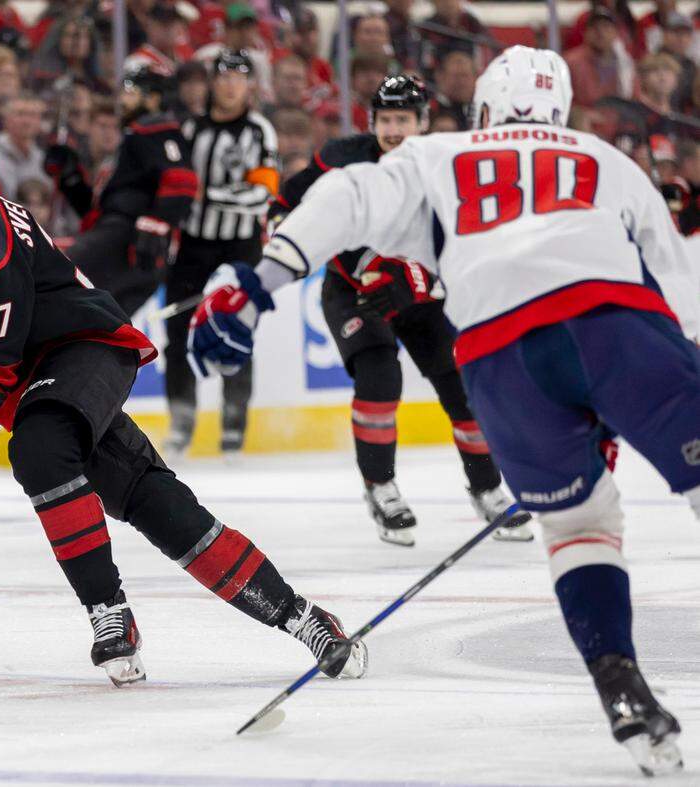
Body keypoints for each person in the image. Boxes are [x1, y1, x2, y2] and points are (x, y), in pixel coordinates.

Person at [190, 46, 700, 776]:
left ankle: (621, 685)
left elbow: (346, 197)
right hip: (613, 324)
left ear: (483, 110)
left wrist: (260, 278)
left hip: (498, 353)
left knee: (580, 525)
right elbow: (679, 293)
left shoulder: (440, 154)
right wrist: (637, 393)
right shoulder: (602, 158)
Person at [0, 99, 369, 687]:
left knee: (39, 449)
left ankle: (107, 612)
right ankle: (303, 617)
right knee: (157, 506)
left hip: (83, 347)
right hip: (33, 374)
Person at [261, 75, 530, 547]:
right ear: (372, 122)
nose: (394, 129)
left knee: (463, 391)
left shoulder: (448, 165)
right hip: (354, 292)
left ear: (423, 123)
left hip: (423, 296)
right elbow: (284, 206)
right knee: (380, 377)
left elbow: (470, 245)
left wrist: (420, 281)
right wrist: (297, 245)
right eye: (385, 119)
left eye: (404, 120)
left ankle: (487, 488)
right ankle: (381, 487)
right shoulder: (340, 158)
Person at [165, 50, 278, 457]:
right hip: (193, 245)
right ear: (212, 82)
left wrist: (207, 194)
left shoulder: (261, 131)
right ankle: (181, 420)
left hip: (240, 246)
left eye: (239, 77)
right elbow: (174, 185)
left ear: (250, 85)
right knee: (178, 330)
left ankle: (234, 425)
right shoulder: (190, 129)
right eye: (224, 76)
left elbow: (261, 196)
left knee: (236, 330)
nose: (231, 85)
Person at [43, 66, 198, 317]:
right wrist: (69, 177)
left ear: (153, 99)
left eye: (129, 91)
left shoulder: (154, 129)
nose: (122, 99)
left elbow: (182, 181)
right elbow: (96, 212)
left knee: (53, 277)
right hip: (121, 238)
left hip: (127, 238)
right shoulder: (129, 144)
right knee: (100, 324)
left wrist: (156, 225)